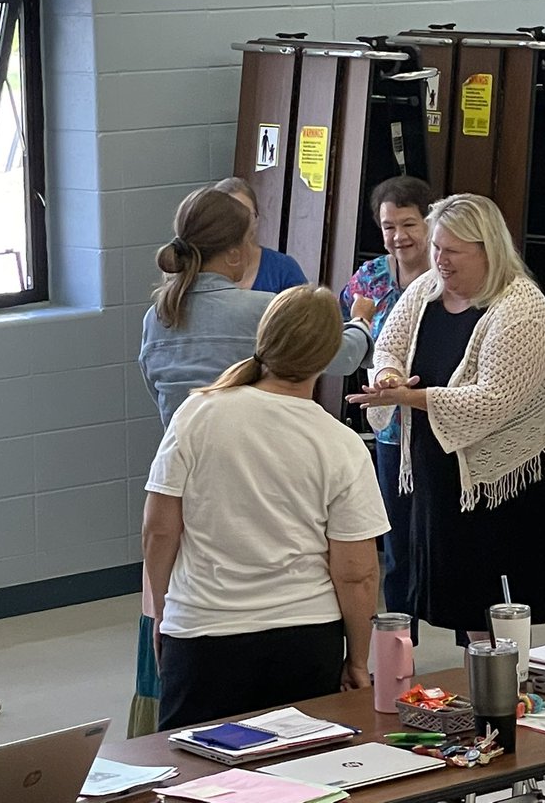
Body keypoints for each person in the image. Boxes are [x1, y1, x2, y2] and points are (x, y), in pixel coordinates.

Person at [131, 186, 374, 736]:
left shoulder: (162, 329)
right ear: (239, 253)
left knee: (194, 752)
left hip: (194, 519)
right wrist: (359, 319)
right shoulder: (335, 441)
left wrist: (164, 612)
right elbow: (357, 569)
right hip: (301, 628)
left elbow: (159, 530)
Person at [352, 193, 545, 640]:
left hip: (510, 474)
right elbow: (389, 346)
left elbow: (493, 400)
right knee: (464, 601)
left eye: (453, 251)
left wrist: (411, 398)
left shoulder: (522, 307)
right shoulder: (427, 288)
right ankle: (479, 673)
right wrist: (387, 376)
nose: (440, 260)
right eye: (437, 247)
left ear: (487, 250)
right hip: (445, 467)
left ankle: (504, 677)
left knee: (498, 604)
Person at [140, 186, 373, 427]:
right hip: (253, 446)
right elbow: (343, 357)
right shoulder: (264, 308)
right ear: (234, 255)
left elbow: (160, 395)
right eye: (248, 239)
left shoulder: (156, 317)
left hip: (181, 445)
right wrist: (360, 321)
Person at [338, 176, 433, 641]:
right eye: (388, 226)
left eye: (409, 224)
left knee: (447, 537)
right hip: (393, 430)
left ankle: (472, 640)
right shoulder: (370, 279)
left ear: (430, 222)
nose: (399, 237)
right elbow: (351, 346)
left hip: (445, 420)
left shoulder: (450, 270)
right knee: (397, 543)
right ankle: (401, 644)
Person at [214, 176, 307, 292]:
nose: (238, 223)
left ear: (256, 219)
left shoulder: (284, 269)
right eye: (229, 215)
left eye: (245, 214)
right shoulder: (202, 267)